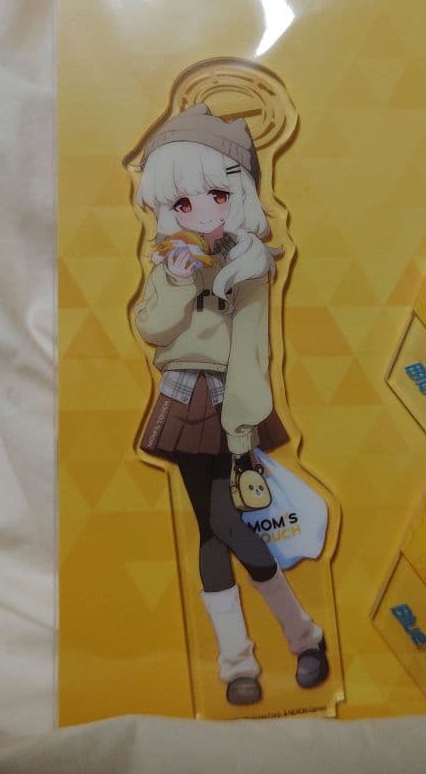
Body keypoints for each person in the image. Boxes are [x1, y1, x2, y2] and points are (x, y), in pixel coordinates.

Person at [133, 101, 328, 705]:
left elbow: (251, 351)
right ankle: (273, 650)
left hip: (228, 404)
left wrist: (242, 433)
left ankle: (284, 644)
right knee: (214, 532)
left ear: (240, 192)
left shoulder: (250, 266)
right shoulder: (169, 265)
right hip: (179, 401)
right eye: (181, 202)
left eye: (218, 194)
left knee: (225, 526)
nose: (202, 212)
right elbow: (152, 328)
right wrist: (179, 280)